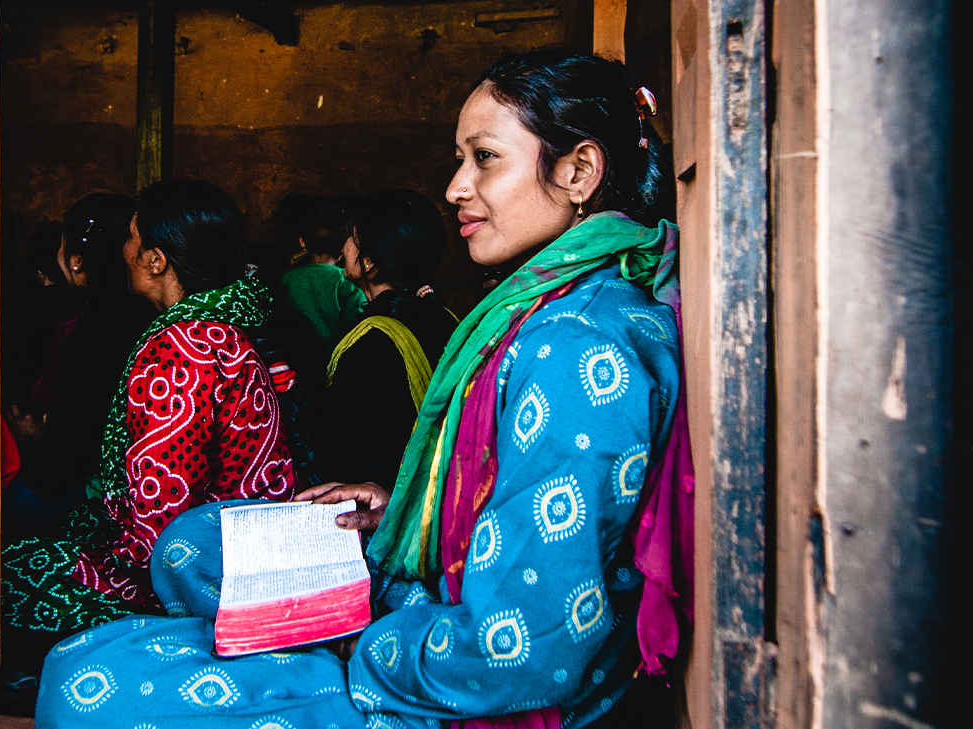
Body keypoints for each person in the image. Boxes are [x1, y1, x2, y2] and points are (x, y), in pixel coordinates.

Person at [35, 46, 693, 729]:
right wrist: (397, 507)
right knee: (188, 545)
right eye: (460, 158)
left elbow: (520, 649)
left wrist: (358, 642)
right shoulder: (546, 309)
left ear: (579, 170)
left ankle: (312, 660)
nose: (456, 187)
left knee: (82, 681)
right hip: (433, 597)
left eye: (485, 158)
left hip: (463, 676)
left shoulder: (575, 346)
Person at [1, 181, 303, 646]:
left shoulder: (177, 353)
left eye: (132, 238)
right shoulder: (230, 323)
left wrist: (103, 563)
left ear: (156, 261)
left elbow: (161, 520)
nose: (122, 249)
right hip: (248, 544)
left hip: (202, 570)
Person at [4, 194, 157, 537]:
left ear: (76, 261)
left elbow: (63, 464)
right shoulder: (147, 314)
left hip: (99, 494)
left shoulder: (96, 330)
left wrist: (27, 439)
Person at [318, 188, 458, 488]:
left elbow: (341, 459)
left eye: (351, 238)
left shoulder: (371, 347)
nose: (343, 246)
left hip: (383, 508)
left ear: (369, 262)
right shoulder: (449, 319)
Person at [279, 195, 368, 352]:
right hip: (338, 354)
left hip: (299, 354)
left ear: (303, 242)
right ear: (344, 246)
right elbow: (356, 322)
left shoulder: (289, 278)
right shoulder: (348, 282)